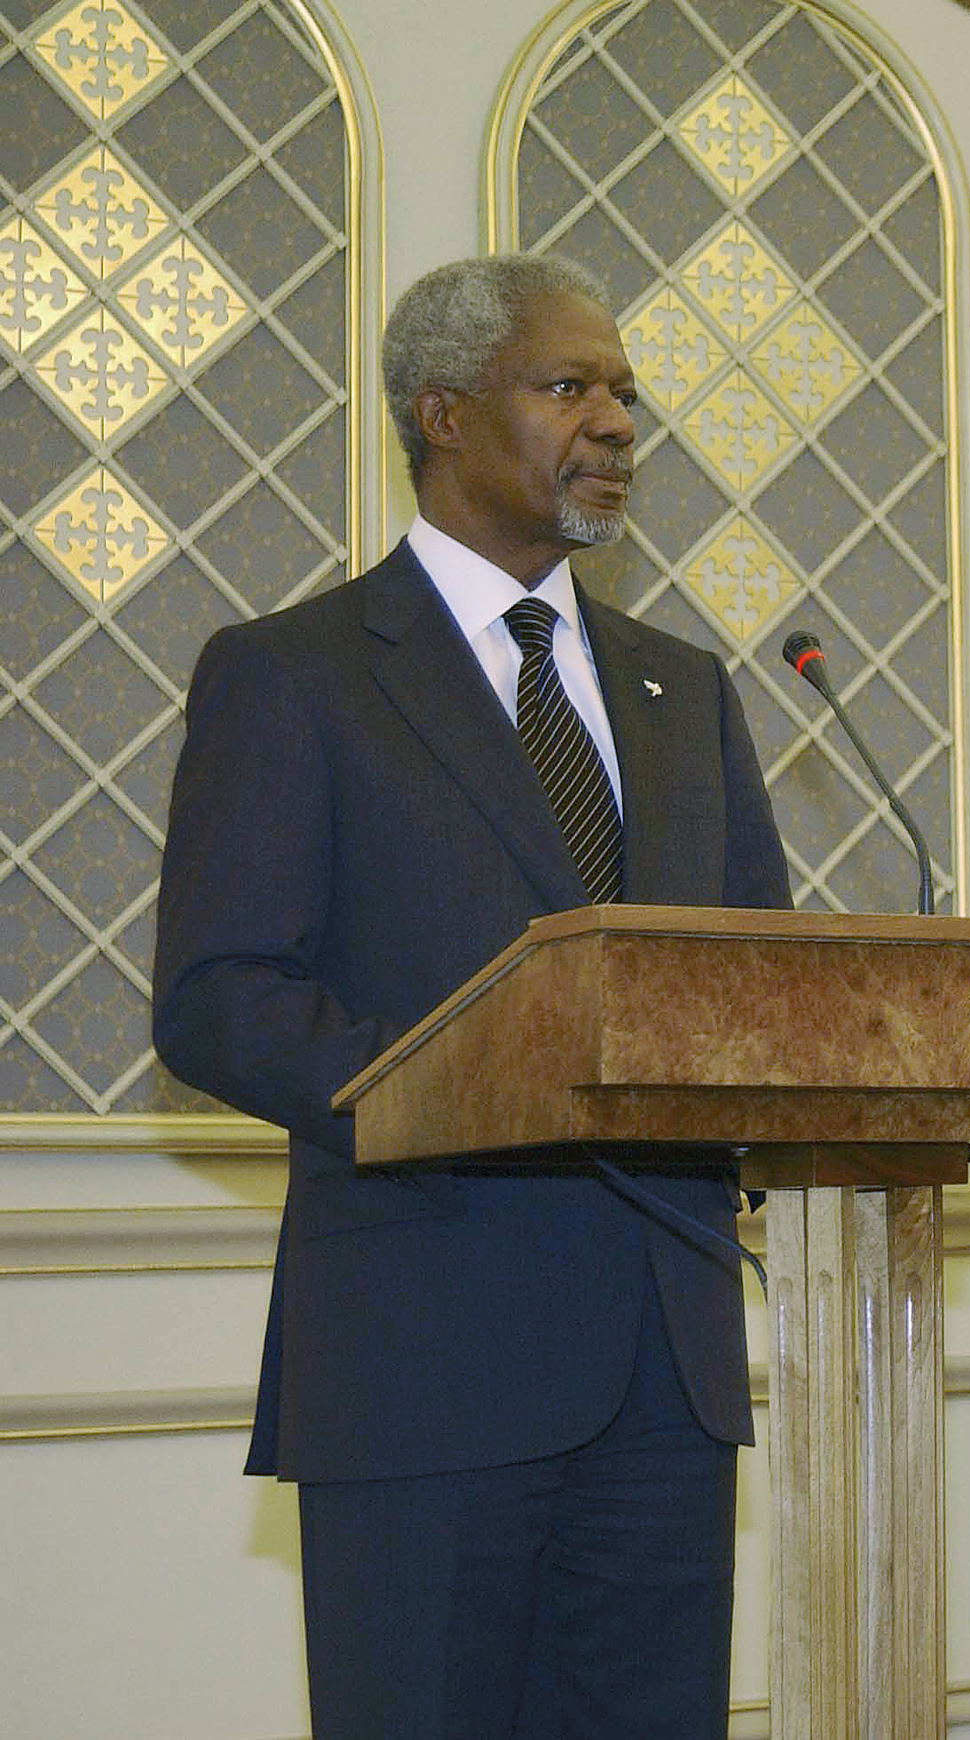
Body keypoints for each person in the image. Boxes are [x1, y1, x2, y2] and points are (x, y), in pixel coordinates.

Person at [152, 253, 790, 1739]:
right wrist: (471, 1081)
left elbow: (754, 983)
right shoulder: (295, 673)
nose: (616, 421)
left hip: (666, 1375)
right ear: (443, 414)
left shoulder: (683, 689)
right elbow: (220, 996)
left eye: (623, 392)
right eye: (570, 386)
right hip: (422, 1365)